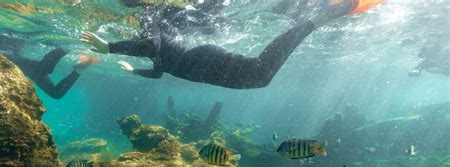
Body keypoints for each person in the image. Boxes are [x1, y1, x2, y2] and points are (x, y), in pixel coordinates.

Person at [81, 0, 385, 89]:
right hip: (197, 65)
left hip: (198, 62)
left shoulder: (150, 18)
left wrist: (108, 48)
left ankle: (317, 19)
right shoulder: (152, 22)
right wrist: (132, 71)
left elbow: (149, 45)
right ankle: (314, 20)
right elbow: (158, 70)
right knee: (259, 77)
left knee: (260, 76)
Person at [2, 49, 97, 99]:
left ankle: (64, 48)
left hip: (5, 56)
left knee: (44, 69)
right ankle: (78, 70)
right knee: (56, 94)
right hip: (22, 70)